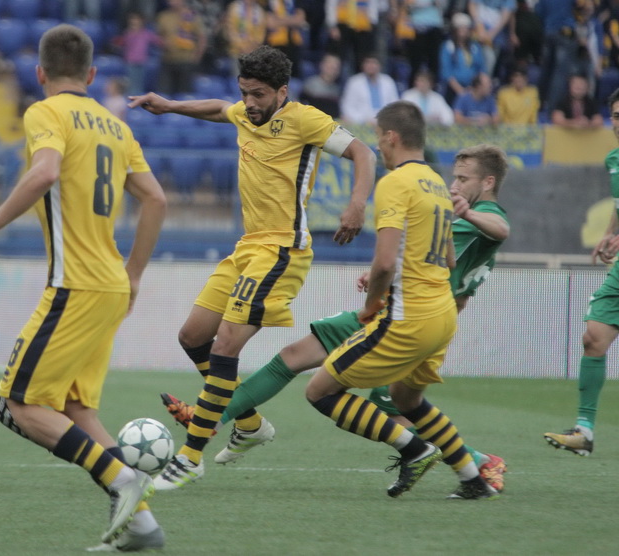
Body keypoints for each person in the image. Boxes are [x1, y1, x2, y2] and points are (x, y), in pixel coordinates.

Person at [162, 142, 511, 493]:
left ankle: (476, 462)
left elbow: (499, 228)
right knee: (294, 356)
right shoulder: (449, 212)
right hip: (397, 309)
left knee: (392, 407)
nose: (454, 185)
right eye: (454, 177)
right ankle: (212, 418)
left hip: (411, 317)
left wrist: (463, 216)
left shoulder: (480, 216)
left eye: (463, 179)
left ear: (487, 183)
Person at [0, 24, 167, 552]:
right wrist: (135, 273)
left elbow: (44, 173)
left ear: (40, 73)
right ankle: (141, 525)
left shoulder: (46, 112)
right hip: (112, 284)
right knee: (75, 408)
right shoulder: (116, 126)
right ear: (92, 75)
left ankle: (122, 479)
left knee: (18, 403)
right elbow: (156, 199)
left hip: (76, 284)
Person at [127, 45, 377, 490]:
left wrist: (357, 204)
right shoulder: (245, 112)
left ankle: (190, 457)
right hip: (247, 248)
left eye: (258, 94)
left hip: (282, 250)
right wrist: (169, 105)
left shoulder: (305, 120)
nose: (249, 103)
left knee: (226, 345)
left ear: (282, 91)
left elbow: (364, 153)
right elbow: (218, 109)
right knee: (193, 337)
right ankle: (250, 424)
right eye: (245, 92)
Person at [305, 101, 498, 499]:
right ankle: (473, 480)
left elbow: (384, 262)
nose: (378, 146)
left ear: (392, 137)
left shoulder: (395, 183)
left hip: (409, 316)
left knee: (319, 391)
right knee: (406, 398)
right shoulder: (438, 184)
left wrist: (370, 305)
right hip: (443, 313)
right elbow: (448, 259)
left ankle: (415, 449)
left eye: (379, 138)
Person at [544, 86, 619, 457]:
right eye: (616, 116)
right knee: (594, 337)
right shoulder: (614, 160)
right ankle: (584, 431)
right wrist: (609, 233)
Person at [156, 0, 206, 95]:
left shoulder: (192, 16)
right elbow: (158, 36)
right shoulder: (163, 16)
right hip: (167, 60)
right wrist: (162, 42)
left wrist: (197, 57)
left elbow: (202, 38)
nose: (172, 2)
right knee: (164, 94)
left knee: (184, 95)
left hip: (186, 61)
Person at [439, 12, 487, 105]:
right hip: (453, 88)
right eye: (460, 27)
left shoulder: (475, 47)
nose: (463, 30)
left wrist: (475, 88)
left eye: (466, 28)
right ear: (455, 29)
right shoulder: (448, 46)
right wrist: (461, 91)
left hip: (473, 88)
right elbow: (446, 71)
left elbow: (481, 68)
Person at [339, 54, 400, 125]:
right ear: (363, 66)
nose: (371, 66)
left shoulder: (388, 81)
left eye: (374, 63)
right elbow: (347, 106)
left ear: (379, 65)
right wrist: (363, 121)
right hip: (361, 123)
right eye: (368, 63)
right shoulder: (354, 82)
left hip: (385, 122)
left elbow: (395, 105)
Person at [112, 12, 162, 96]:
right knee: (131, 82)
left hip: (142, 61)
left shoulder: (146, 33)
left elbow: (157, 41)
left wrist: (164, 42)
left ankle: (138, 97)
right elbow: (120, 43)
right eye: (133, 20)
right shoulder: (128, 33)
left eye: (137, 20)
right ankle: (131, 97)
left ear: (142, 21)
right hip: (130, 61)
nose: (135, 22)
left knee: (139, 82)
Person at [299, 52, 342, 118]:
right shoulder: (311, 84)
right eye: (330, 66)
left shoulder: (336, 90)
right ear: (322, 65)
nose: (333, 70)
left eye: (336, 67)